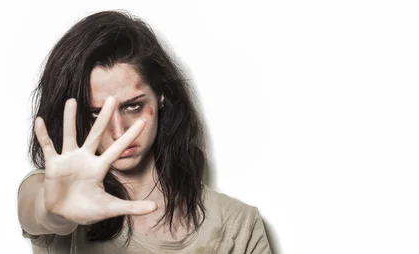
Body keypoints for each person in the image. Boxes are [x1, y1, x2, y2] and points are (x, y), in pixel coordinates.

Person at [17, 10, 272, 254]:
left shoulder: (237, 225)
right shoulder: (57, 188)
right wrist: (54, 213)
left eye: (133, 106)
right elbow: (38, 210)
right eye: (97, 114)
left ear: (161, 95)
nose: (118, 131)